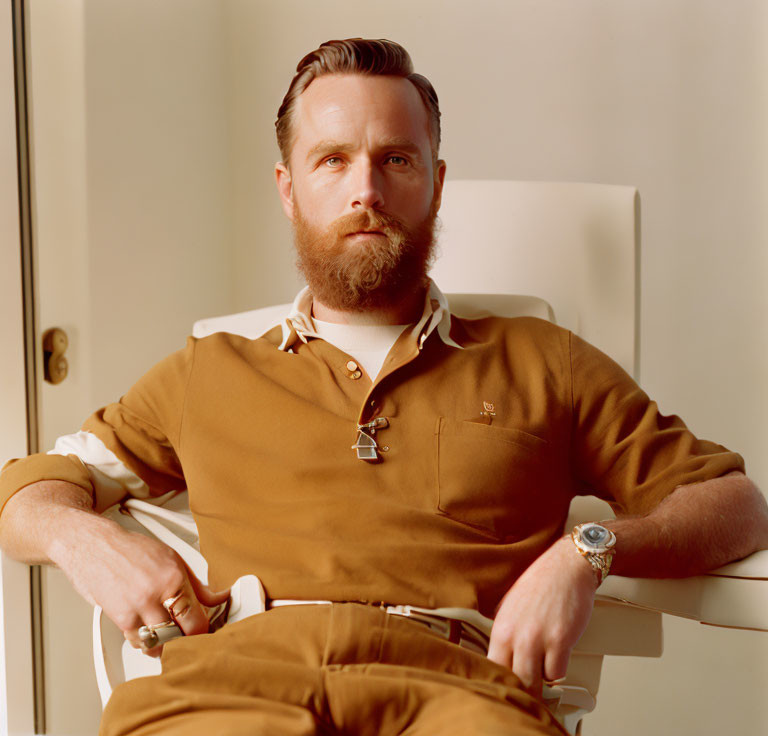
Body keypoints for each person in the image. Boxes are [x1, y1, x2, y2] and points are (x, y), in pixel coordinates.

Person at [1, 38, 766, 736]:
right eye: (332, 160)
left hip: (462, 692)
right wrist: (85, 541)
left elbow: (733, 507)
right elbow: (24, 495)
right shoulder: (209, 370)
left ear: (436, 180)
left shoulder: (545, 361)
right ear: (288, 188)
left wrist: (586, 550)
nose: (365, 188)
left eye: (395, 159)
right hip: (228, 689)